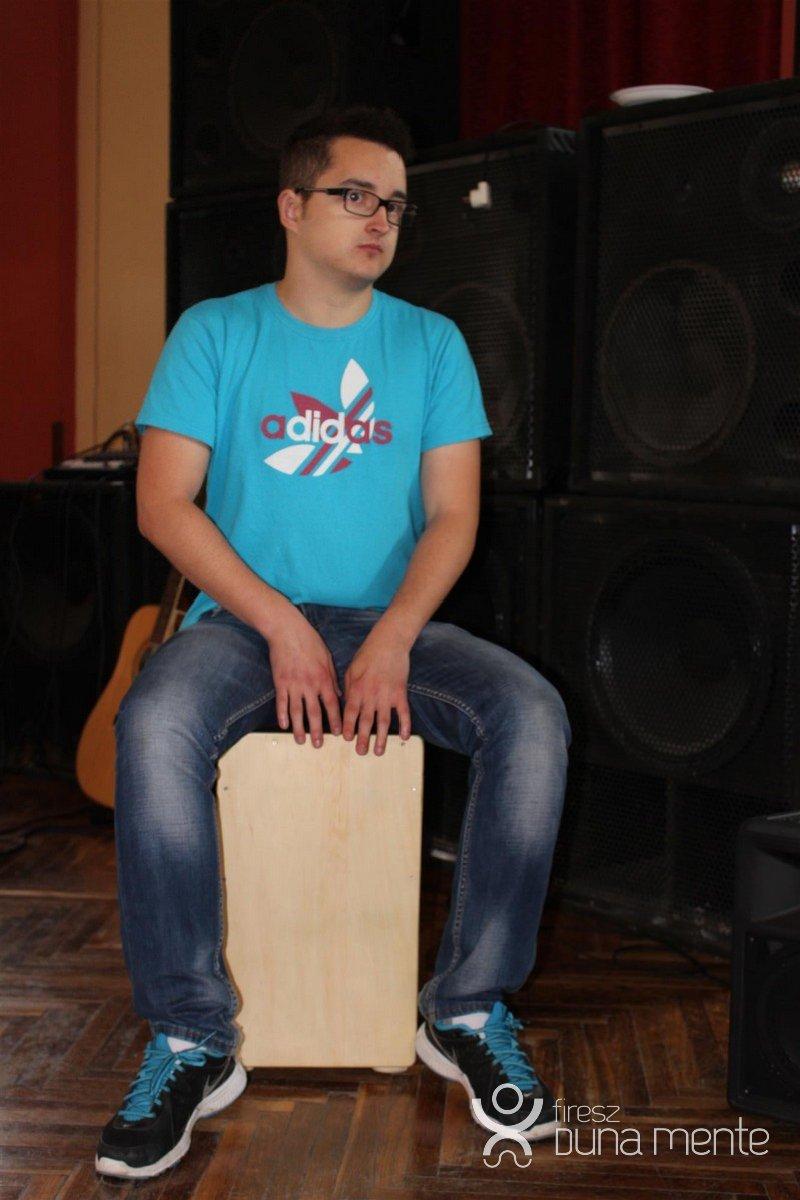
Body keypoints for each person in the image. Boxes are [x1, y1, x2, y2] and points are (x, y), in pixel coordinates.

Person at [95, 104, 572, 1181]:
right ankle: (191, 1038)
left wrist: (394, 635)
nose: (379, 219)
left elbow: (453, 515)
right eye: (354, 196)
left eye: (394, 204)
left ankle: (466, 1008)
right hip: (243, 620)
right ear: (290, 206)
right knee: (155, 721)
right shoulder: (214, 331)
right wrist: (278, 623)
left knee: (531, 715)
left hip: (388, 624)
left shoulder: (430, 343)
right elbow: (163, 505)